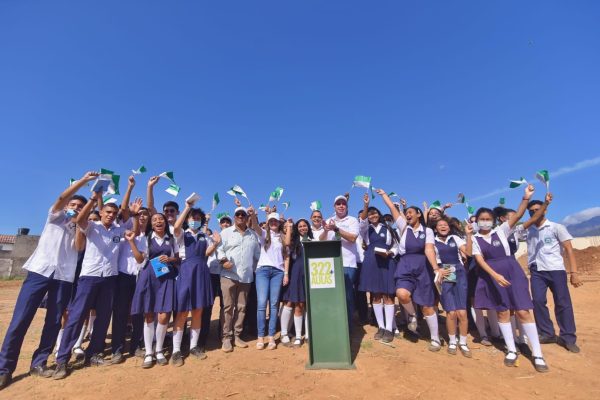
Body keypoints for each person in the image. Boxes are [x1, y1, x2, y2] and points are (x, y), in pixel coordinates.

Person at [0, 172, 97, 389]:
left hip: (63, 277)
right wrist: (83, 182)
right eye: (73, 204)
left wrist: (83, 217)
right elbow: (62, 198)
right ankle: (4, 368)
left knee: (53, 322)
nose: (75, 207)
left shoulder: (81, 228)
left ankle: (39, 362)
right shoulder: (54, 216)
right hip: (39, 272)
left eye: (79, 207)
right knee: (20, 320)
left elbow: (79, 247)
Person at [53, 193, 136, 379]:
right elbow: (79, 218)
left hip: (109, 279)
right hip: (89, 278)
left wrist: (134, 218)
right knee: (76, 317)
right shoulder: (92, 226)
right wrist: (93, 199)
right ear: (101, 212)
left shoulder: (118, 230)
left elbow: (133, 232)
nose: (111, 215)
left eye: (114, 213)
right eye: (108, 212)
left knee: (103, 318)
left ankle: (94, 353)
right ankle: (62, 359)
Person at [471, 185, 551, 372]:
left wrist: (525, 198)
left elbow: (518, 216)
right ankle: (511, 350)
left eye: (488, 219)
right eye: (481, 220)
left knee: (523, 311)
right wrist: (495, 275)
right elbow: (479, 259)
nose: (485, 222)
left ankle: (537, 353)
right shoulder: (475, 238)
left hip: (512, 272)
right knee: (503, 312)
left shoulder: (501, 231)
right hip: (493, 276)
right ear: (477, 222)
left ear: (493, 220)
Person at [377, 189, 442, 352]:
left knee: (427, 305)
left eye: (410, 212)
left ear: (419, 214)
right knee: (402, 294)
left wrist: (435, 268)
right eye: (406, 213)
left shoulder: (427, 231)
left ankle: (435, 338)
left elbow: (429, 249)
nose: (407, 215)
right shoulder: (403, 227)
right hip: (405, 265)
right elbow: (392, 208)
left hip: (423, 267)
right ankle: (412, 315)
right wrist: (384, 195)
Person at [526, 197, 582, 353]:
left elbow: (569, 249)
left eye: (537, 210)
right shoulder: (528, 230)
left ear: (545, 209)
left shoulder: (557, 227)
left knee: (563, 303)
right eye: (531, 211)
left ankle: (568, 337)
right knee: (537, 301)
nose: (534, 213)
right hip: (536, 270)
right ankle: (546, 333)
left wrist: (574, 272)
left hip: (556, 269)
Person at [171, 199, 221, 365]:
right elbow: (176, 227)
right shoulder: (182, 234)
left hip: (201, 272)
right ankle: (176, 350)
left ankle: (194, 346)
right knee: (182, 312)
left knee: (198, 311)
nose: (195, 220)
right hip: (186, 272)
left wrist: (215, 243)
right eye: (193, 217)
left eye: (198, 218)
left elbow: (207, 253)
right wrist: (187, 207)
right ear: (187, 219)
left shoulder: (203, 235)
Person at [130, 212, 179, 369]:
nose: (158, 221)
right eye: (155, 220)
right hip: (149, 276)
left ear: (165, 223)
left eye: (161, 219)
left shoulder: (172, 239)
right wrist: (131, 242)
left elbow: (178, 258)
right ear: (151, 224)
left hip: (166, 277)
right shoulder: (146, 238)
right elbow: (139, 259)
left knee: (164, 316)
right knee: (149, 314)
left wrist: (170, 259)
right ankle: (149, 352)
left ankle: (159, 349)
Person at [110, 178, 148, 363]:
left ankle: (136, 346)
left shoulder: (147, 238)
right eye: (138, 215)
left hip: (140, 278)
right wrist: (130, 187)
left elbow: (141, 258)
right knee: (120, 312)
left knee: (138, 313)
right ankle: (117, 349)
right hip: (123, 276)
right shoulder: (125, 228)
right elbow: (124, 209)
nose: (141, 217)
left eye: (144, 215)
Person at [216, 206, 260, 353]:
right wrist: (223, 261)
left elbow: (257, 256)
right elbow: (219, 250)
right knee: (228, 307)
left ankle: (237, 335)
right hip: (229, 275)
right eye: (238, 214)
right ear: (234, 217)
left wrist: (253, 269)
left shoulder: (253, 235)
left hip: (246, 277)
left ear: (247, 217)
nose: (240, 216)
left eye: (243, 215)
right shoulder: (226, 232)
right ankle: (226, 338)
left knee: (241, 307)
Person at [358, 193, 398, 343]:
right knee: (375, 295)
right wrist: (366, 205)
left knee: (388, 295)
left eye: (374, 213)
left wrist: (390, 253)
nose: (372, 216)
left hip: (387, 262)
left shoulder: (388, 228)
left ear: (379, 214)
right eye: (370, 214)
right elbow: (361, 220)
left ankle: (389, 328)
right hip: (371, 262)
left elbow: (396, 246)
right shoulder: (365, 229)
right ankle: (381, 327)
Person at [433, 218, 473, 357]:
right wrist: (438, 270)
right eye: (440, 225)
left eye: (445, 225)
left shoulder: (455, 238)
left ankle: (463, 342)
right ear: (436, 228)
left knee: (462, 312)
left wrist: (468, 235)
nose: (443, 226)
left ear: (449, 228)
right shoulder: (432, 242)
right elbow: (432, 259)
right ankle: (452, 341)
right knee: (451, 312)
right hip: (444, 274)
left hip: (459, 272)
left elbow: (468, 253)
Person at [319, 195, 360, 329]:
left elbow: (352, 238)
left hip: (348, 264)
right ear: (334, 207)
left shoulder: (353, 220)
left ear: (347, 207)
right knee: (332, 296)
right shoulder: (329, 221)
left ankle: (347, 328)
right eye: (338, 204)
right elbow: (322, 241)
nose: (341, 206)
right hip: (331, 264)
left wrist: (336, 229)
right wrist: (325, 230)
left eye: (343, 204)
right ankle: (335, 326)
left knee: (347, 297)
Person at [250, 209, 288, 350]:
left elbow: (286, 257)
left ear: (279, 223)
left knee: (273, 305)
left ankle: (271, 336)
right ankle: (261, 336)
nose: (273, 223)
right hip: (263, 271)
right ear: (268, 223)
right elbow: (255, 225)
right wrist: (253, 215)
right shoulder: (264, 234)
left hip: (278, 272)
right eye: (271, 221)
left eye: (275, 221)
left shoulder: (283, 238)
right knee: (261, 304)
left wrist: (285, 273)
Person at [198, 214, 231, 352]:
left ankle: (222, 335)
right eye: (223, 222)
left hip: (225, 275)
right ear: (220, 224)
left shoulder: (232, 237)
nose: (225, 224)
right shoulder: (212, 237)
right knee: (207, 307)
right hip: (210, 275)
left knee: (225, 307)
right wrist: (206, 221)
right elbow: (203, 237)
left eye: (228, 222)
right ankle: (202, 337)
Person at [281, 219, 313, 347]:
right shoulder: (294, 241)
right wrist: (288, 226)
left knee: (308, 305)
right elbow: (287, 244)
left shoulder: (313, 240)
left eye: (305, 226)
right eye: (300, 226)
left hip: (311, 275)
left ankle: (309, 334)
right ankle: (298, 336)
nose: (302, 228)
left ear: (308, 227)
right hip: (296, 275)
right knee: (297, 304)